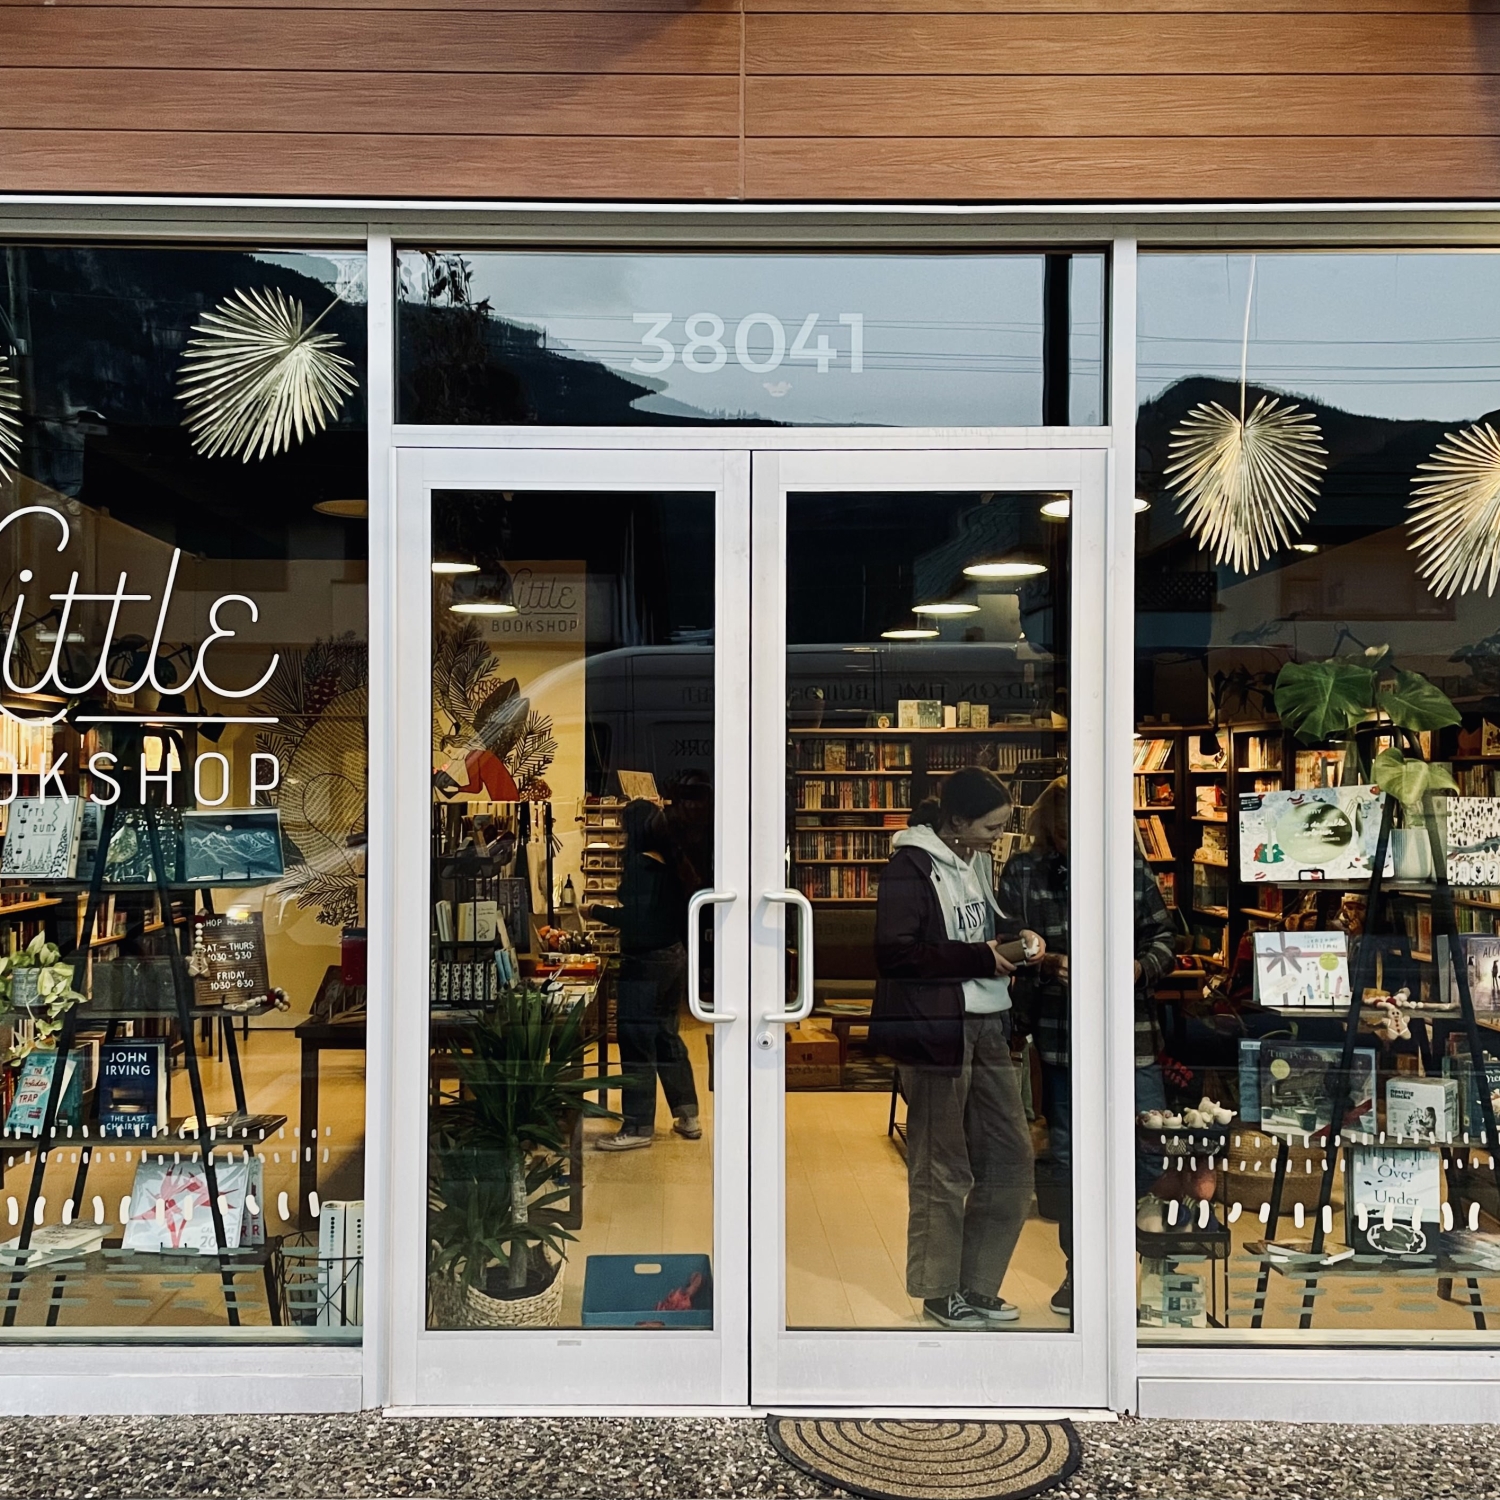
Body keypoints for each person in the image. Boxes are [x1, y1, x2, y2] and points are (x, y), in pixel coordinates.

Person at [870, 767, 1044, 1331]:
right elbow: (896, 953)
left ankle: (978, 1284)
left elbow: (980, 926)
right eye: (991, 827)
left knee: (1012, 1159)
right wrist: (978, 958)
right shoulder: (909, 866)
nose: (999, 836)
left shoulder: (976, 861)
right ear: (958, 822)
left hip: (990, 1022)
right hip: (937, 1029)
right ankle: (940, 1291)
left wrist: (1022, 940)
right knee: (941, 1167)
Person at [999, 775, 1178, 1318]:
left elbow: (1166, 939)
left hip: (1131, 1034)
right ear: (1046, 828)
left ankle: (1135, 1261)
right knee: (1073, 1158)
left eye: (1079, 829)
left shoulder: (1128, 866)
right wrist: (1046, 962)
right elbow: (1005, 945)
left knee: (1149, 1146)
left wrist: (1137, 968)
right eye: (1060, 831)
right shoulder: (1023, 871)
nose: (1069, 841)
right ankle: (1084, 1272)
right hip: (1060, 1033)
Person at [586, 799, 701, 1150]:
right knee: (667, 1036)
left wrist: (594, 910)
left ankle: (637, 1128)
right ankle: (687, 1114)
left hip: (645, 961)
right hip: (674, 956)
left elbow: (637, 920)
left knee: (636, 1040)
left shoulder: (639, 865)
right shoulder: (672, 860)